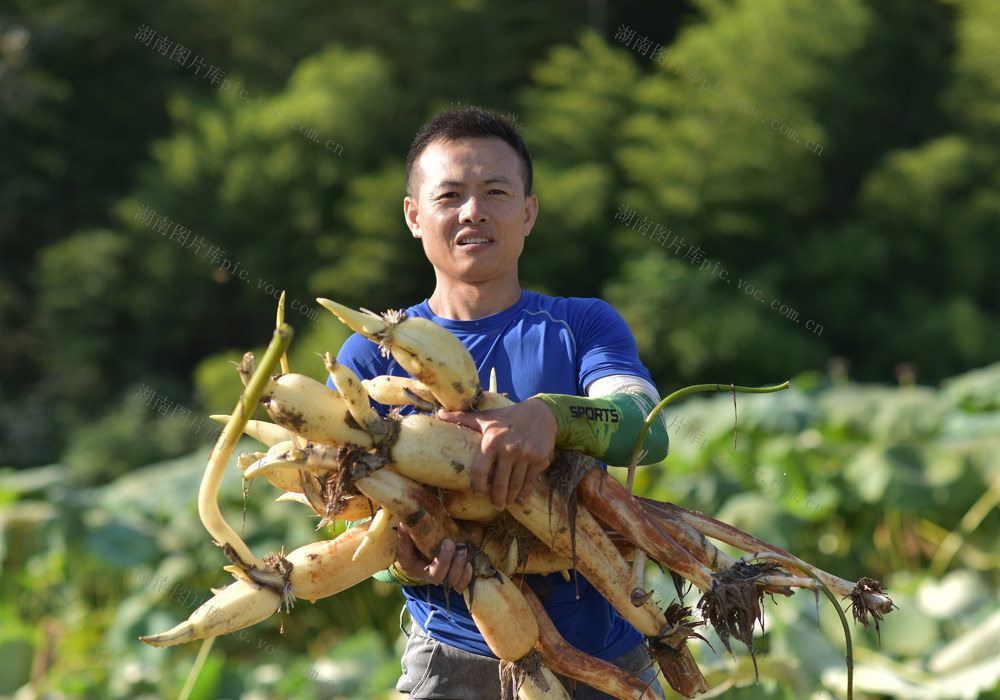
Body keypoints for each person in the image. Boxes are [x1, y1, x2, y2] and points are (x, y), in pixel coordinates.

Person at [335, 106, 671, 700]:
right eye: (450, 195)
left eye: (495, 191)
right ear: (414, 216)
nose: (473, 212)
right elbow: (348, 511)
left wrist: (551, 415)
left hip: (609, 651)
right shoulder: (371, 359)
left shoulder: (582, 324)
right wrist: (403, 553)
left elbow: (644, 427)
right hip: (452, 656)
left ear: (528, 212)